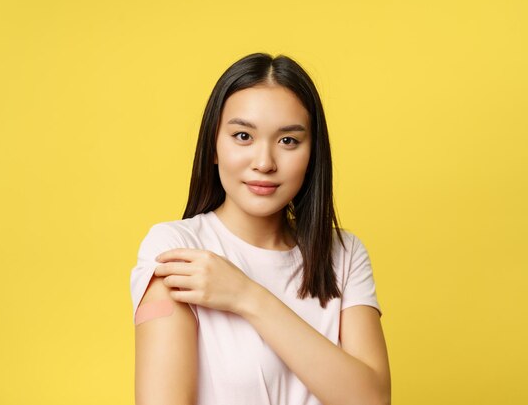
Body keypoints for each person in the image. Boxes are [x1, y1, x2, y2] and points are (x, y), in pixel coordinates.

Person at [130, 52, 391, 405]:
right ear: (213, 147)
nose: (265, 163)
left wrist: (248, 297)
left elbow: (372, 400)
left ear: (313, 154)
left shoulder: (343, 254)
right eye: (243, 136)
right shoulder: (177, 247)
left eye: (288, 141)